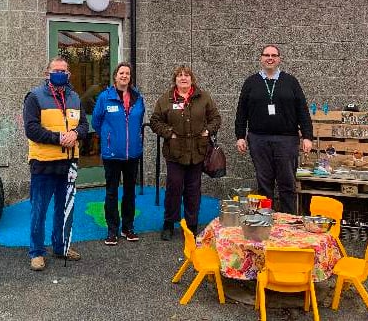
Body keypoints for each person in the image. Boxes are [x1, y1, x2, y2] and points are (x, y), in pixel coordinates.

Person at [23, 57, 88, 271]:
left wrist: (75, 134)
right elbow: (31, 129)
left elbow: (85, 126)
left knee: (64, 209)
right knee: (39, 210)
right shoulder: (35, 97)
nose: (60, 73)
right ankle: (36, 252)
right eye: (56, 70)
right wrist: (59, 138)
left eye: (64, 70)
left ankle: (61, 247)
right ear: (47, 73)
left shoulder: (75, 97)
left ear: (68, 74)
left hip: (68, 163)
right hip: (43, 164)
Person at [235, 44, 313, 214]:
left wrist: (307, 136)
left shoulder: (291, 81)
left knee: (287, 184)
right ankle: (265, 221)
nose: (270, 58)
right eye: (266, 55)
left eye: (274, 55)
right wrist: (240, 136)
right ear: (261, 58)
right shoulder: (251, 82)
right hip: (258, 140)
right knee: (264, 184)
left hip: (286, 140)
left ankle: (289, 223)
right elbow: (241, 111)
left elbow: (302, 110)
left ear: (279, 59)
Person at [150, 65, 221, 240]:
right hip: (174, 153)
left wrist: (207, 131)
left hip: (197, 152)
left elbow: (216, 118)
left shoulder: (203, 97)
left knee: (193, 190)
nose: (183, 78)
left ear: (192, 79)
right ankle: (169, 223)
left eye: (187, 75)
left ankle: (192, 224)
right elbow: (155, 121)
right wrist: (169, 133)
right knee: (173, 188)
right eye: (180, 76)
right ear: (175, 80)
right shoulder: (166, 99)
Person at [91, 62, 145, 245]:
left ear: (130, 77)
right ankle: (112, 230)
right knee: (112, 192)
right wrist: (108, 138)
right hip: (112, 154)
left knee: (129, 192)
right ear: (115, 76)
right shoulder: (104, 97)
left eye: (127, 73)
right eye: (121, 73)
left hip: (133, 154)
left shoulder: (138, 97)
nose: (124, 76)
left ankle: (128, 228)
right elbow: (96, 122)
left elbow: (139, 120)